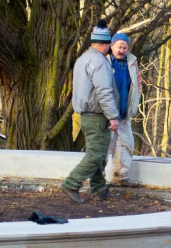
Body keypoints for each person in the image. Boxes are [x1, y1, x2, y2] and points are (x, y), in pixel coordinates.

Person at [61, 21, 119, 203]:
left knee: (98, 153)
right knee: (96, 155)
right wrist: (113, 116)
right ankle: (71, 183)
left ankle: (99, 190)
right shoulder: (99, 62)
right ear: (106, 43)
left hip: (86, 115)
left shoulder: (83, 59)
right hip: (97, 116)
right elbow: (103, 91)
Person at [106, 32, 142, 185]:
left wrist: (135, 103)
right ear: (112, 46)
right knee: (104, 146)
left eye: (124, 47)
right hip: (106, 113)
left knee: (126, 144)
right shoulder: (104, 62)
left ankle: (121, 177)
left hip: (124, 112)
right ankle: (96, 180)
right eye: (119, 47)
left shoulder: (132, 63)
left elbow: (138, 84)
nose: (121, 50)